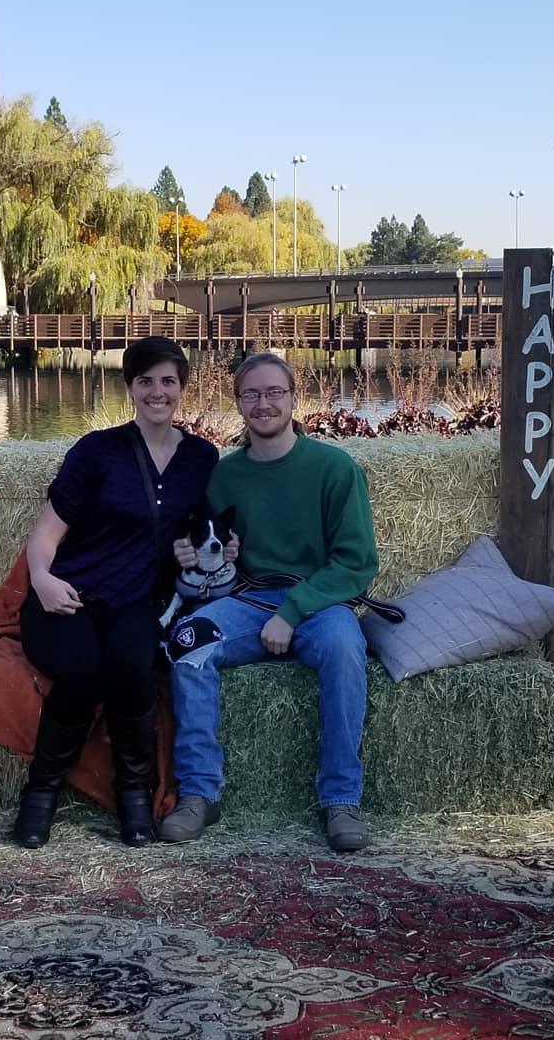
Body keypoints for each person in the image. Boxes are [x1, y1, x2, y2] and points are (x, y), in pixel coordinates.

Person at [159, 352, 379, 852]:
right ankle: (198, 793)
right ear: (238, 403)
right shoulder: (225, 476)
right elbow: (213, 544)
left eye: (274, 392)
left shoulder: (334, 468)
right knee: (188, 642)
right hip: (247, 599)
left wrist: (293, 610)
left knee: (347, 650)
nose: (263, 404)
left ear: (294, 398)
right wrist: (190, 553)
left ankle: (341, 800)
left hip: (318, 603)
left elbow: (356, 562)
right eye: (251, 394)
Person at [14, 336, 220, 849]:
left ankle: (134, 794)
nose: (157, 392)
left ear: (182, 388)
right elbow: (45, 535)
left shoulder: (201, 457)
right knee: (81, 670)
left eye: (168, 381)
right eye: (145, 381)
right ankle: (40, 792)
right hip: (69, 596)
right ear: (129, 387)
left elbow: (206, 528)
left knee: (131, 667)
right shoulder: (96, 451)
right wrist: (41, 580)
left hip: (139, 602)